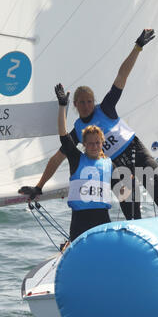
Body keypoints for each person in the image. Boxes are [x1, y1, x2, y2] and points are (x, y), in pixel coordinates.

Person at [19, 29, 158, 219]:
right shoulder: (78, 130)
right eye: (82, 102)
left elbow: (122, 75)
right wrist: (39, 187)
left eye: (89, 101)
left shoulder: (106, 108)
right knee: (132, 214)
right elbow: (57, 158)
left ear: (94, 101)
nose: (86, 105)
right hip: (117, 168)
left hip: (137, 153)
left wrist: (138, 47)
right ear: (75, 105)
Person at [56, 85, 113, 241]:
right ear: (84, 144)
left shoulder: (109, 164)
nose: (94, 146)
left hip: (102, 221)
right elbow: (63, 134)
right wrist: (62, 106)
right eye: (90, 143)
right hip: (80, 222)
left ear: (102, 143)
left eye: (97, 143)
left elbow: (124, 188)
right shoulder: (76, 158)